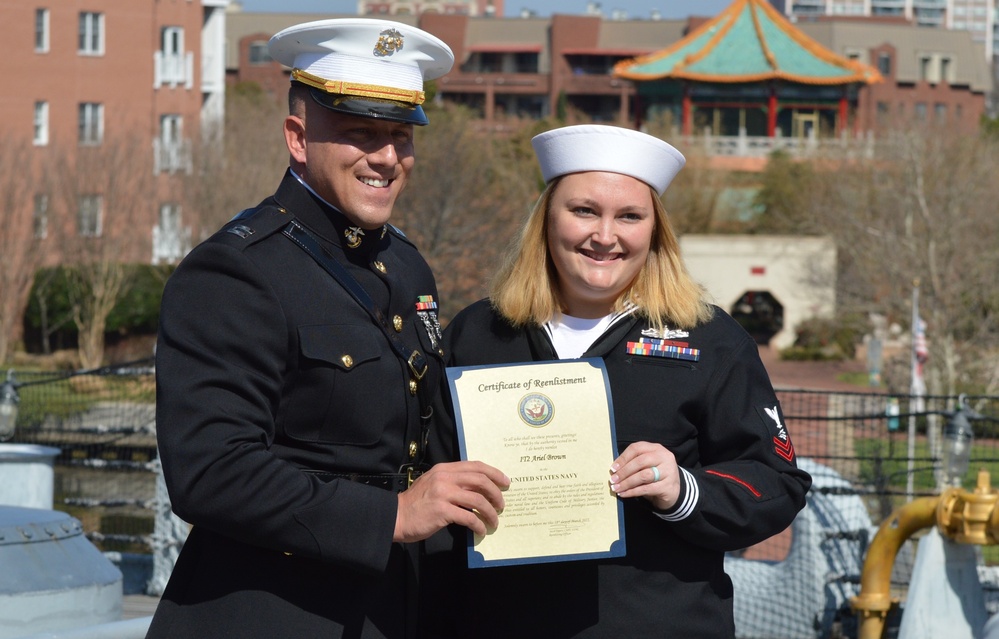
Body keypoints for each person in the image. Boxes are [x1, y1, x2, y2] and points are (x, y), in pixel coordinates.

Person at [146, 19, 508, 639]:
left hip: (393, 607)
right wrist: (390, 516)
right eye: (361, 134)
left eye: (400, 135)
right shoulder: (237, 270)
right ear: (298, 137)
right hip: (273, 609)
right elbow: (210, 470)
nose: (387, 157)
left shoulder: (404, 263)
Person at [430, 124, 812, 637]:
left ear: (655, 230)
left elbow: (778, 483)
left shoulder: (711, 340)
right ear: (545, 220)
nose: (605, 236)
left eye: (629, 216)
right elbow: (425, 477)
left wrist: (684, 490)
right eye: (584, 210)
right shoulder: (479, 331)